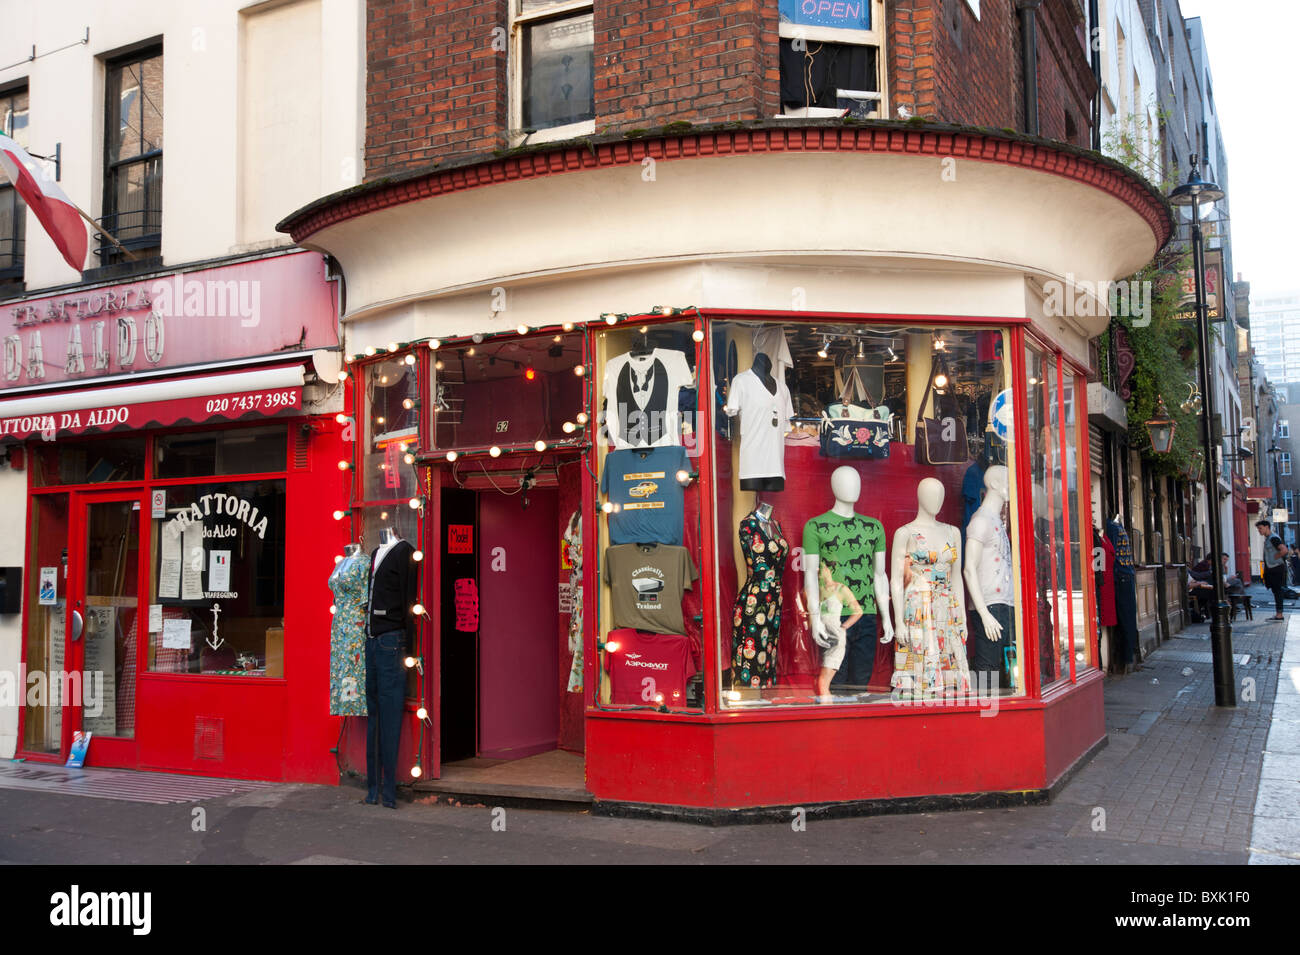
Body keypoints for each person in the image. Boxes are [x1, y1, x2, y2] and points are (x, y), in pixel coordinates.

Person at [1256, 520, 1290, 621]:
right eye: (1258, 529)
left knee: (1278, 591)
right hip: (1273, 568)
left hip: (1276, 568)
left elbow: (1284, 550)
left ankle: (1279, 615)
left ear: (1267, 527)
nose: (1259, 531)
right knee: (1276, 591)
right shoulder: (1268, 539)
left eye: (1260, 528)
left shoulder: (1273, 538)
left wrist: (1275, 557)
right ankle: (1278, 614)